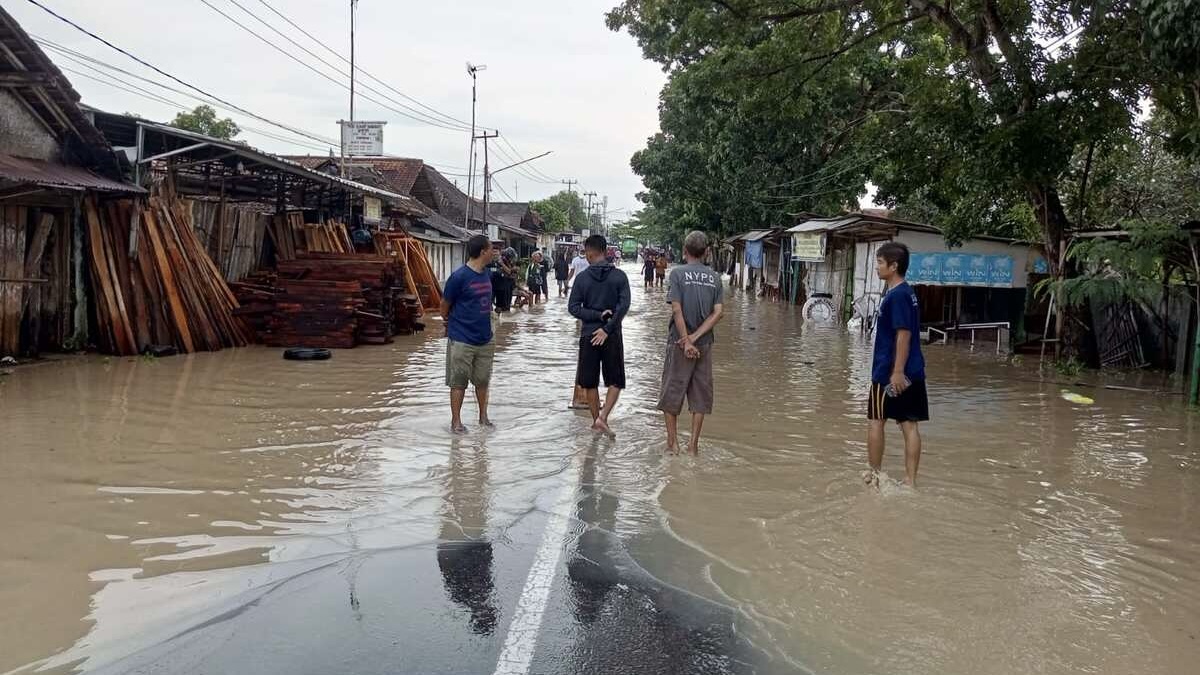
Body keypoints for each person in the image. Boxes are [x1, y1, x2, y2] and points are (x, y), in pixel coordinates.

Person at [866, 242, 929, 487]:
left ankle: (874, 475)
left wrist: (897, 371)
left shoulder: (898, 295)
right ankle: (910, 482)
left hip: (890, 372)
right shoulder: (907, 293)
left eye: (880, 263)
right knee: (909, 425)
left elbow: (903, 334)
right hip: (912, 370)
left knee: (875, 421)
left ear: (894, 266)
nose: (877, 268)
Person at [658, 231, 724, 455]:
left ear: (684, 251)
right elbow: (718, 313)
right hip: (704, 344)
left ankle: (672, 444)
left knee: (671, 391)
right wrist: (695, 338)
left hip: (678, 343)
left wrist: (686, 340)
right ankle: (693, 445)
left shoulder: (677, 274)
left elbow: (676, 309)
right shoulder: (715, 277)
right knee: (701, 395)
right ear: (707, 253)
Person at [568, 234, 631, 435]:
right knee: (616, 381)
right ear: (605, 252)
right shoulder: (620, 276)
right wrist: (608, 328)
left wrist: (595, 315)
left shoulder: (582, 278)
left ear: (589, 253)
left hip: (589, 334)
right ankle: (603, 417)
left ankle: (597, 420)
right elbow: (624, 307)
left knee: (589, 381)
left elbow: (574, 308)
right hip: (612, 334)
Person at [440, 234, 496, 434]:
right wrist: (449, 324)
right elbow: (444, 306)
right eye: (491, 249)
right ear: (483, 252)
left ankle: (483, 417)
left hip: (485, 338)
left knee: (483, 380)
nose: (493, 252)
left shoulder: (487, 274)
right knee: (459, 382)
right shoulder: (459, 277)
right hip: (462, 339)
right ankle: (456, 422)